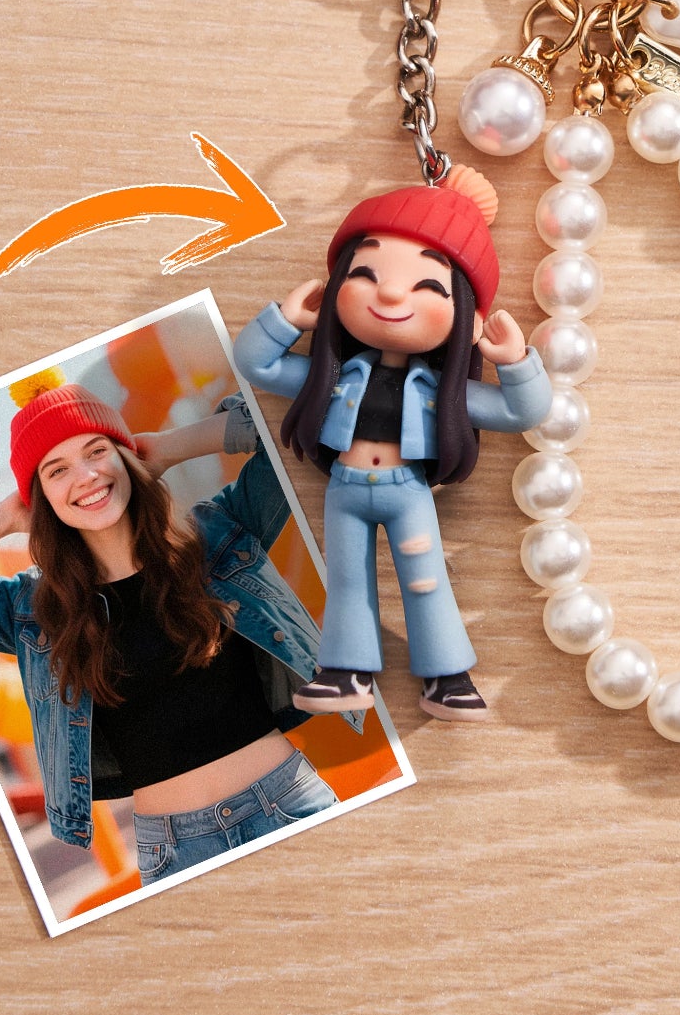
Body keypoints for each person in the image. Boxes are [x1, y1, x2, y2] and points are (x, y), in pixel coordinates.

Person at [0, 372, 359, 886]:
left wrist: (169, 449)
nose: (85, 476)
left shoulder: (218, 536)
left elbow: (313, 421)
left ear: (126, 456)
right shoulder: (30, 609)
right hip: (177, 854)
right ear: (38, 498)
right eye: (56, 470)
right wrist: (6, 515)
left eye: (97, 451)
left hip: (292, 805)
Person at [234, 166, 552, 723]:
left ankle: (447, 677)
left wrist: (516, 363)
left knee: (425, 581)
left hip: (409, 493)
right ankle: (345, 673)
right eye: (366, 272)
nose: (389, 292)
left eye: (428, 285)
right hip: (346, 489)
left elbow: (523, 411)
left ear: (468, 318)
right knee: (349, 581)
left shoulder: (447, 393)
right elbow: (255, 363)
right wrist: (286, 320)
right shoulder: (332, 376)